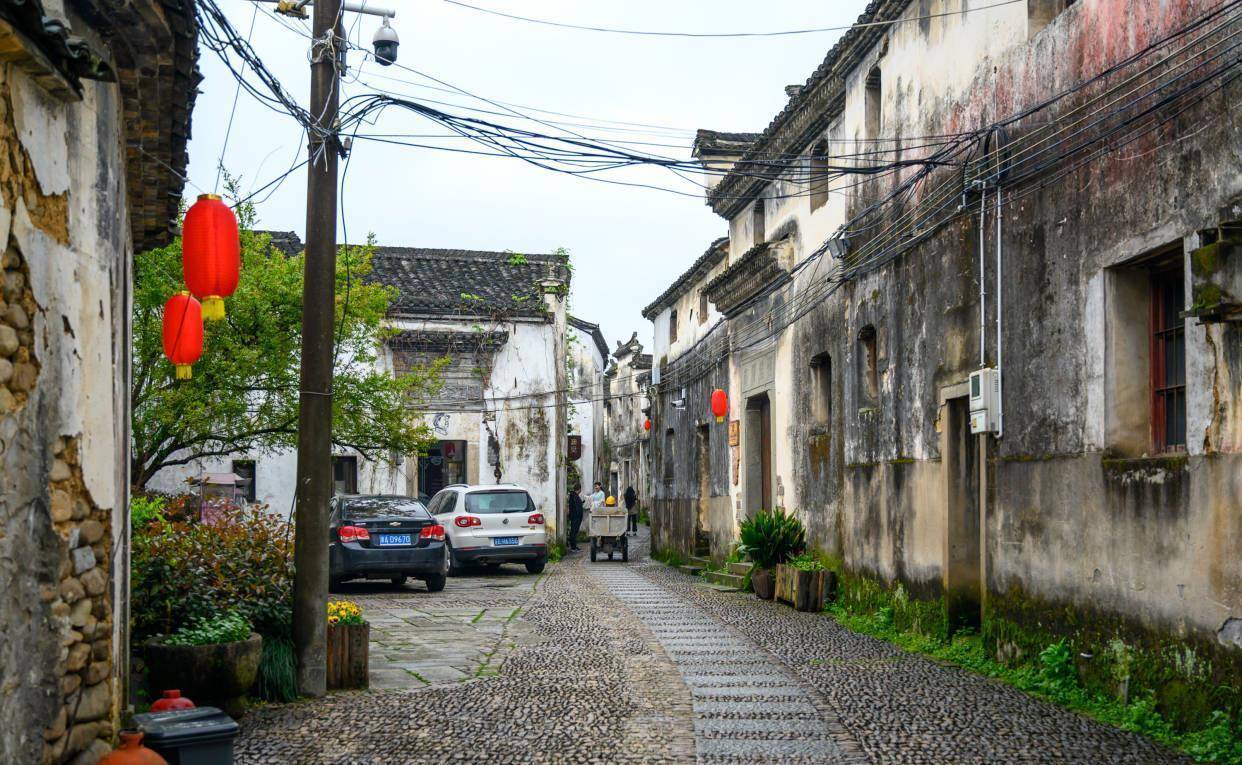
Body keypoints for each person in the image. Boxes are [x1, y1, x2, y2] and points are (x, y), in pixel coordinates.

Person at [567, 483, 584, 551]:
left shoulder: (574, 496)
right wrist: (578, 516)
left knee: (575, 532)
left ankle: (574, 546)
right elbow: (576, 507)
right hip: (575, 517)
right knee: (573, 532)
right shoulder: (574, 496)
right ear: (579, 489)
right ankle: (573, 547)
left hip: (576, 517)